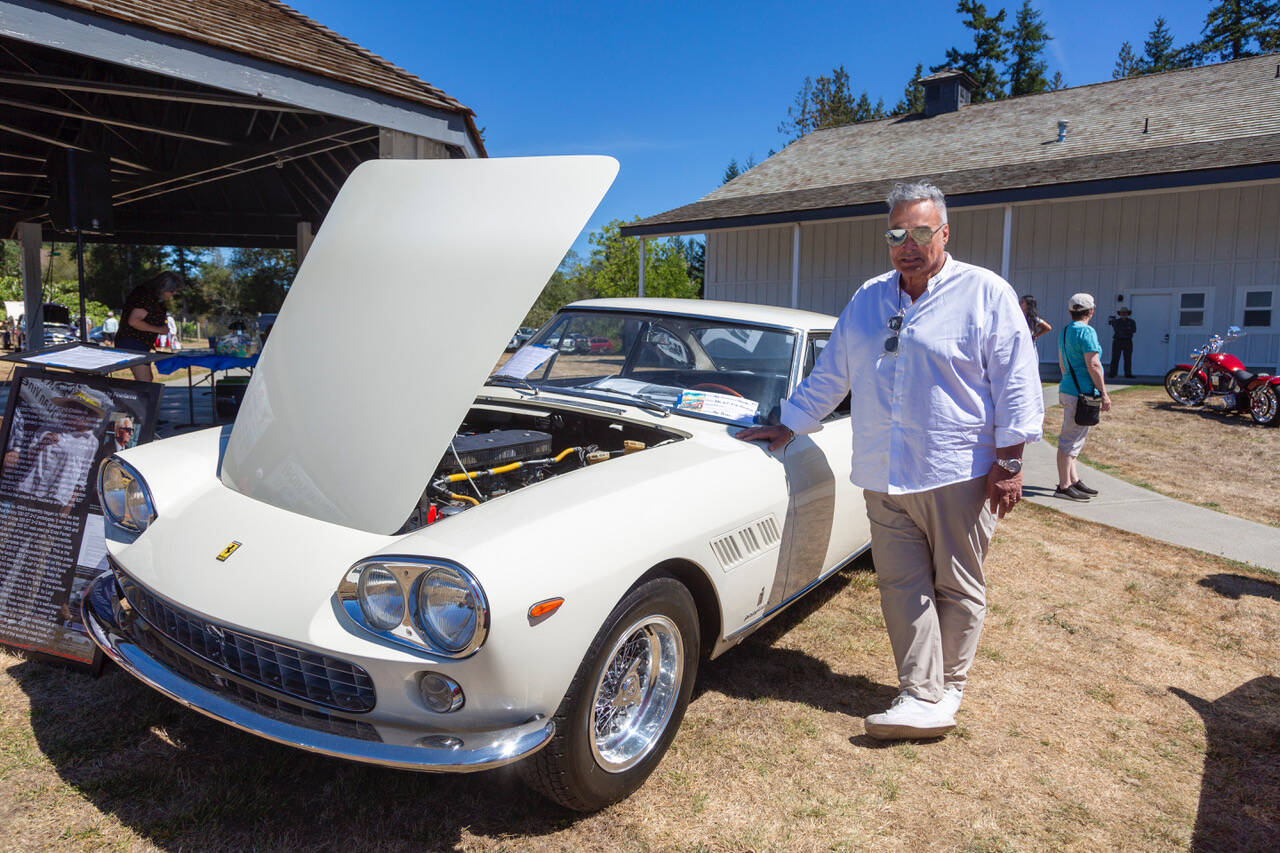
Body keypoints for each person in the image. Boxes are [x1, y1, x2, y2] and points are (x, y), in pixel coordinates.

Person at [736, 182, 1044, 740]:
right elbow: (833, 373)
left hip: (959, 470)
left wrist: (1011, 460)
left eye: (921, 232)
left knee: (956, 584)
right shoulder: (869, 298)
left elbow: (1015, 380)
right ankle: (921, 693)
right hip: (882, 471)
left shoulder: (985, 294)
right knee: (902, 586)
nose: (908, 244)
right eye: (897, 233)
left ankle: (948, 686)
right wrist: (789, 422)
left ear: (944, 233)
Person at [1056, 293, 1112, 501]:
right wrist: (1104, 393)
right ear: (1090, 311)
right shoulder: (1087, 332)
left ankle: (1073, 479)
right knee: (1069, 439)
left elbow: (1062, 363)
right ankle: (1063, 486)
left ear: (1071, 312)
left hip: (1069, 388)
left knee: (1076, 437)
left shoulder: (1064, 332)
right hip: (1082, 392)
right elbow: (1094, 364)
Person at [114, 271, 182, 381]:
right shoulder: (146, 297)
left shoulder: (151, 295)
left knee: (147, 379)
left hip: (139, 343)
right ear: (163, 287)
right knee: (145, 381)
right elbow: (134, 321)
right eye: (172, 290)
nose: (174, 293)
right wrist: (159, 329)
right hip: (133, 342)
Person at [1107, 305, 1136, 378]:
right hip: (1118, 341)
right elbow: (1117, 329)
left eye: (1125, 313)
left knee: (1128, 358)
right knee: (1115, 357)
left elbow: (1133, 330)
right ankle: (1113, 373)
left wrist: (1124, 330)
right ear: (1120, 314)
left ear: (1128, 314)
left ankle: (1128, 374)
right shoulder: (1116, 321)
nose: (1124, 314)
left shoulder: (1131, 322)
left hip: (1127, 341)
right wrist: (1126, 330)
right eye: (1122, 313)